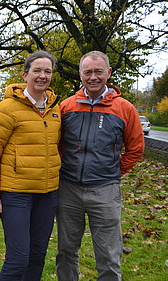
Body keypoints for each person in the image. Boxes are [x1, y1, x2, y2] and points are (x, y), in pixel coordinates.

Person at [57, 51, 144, 281]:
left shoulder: (124, 108)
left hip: (105, 190)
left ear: (108, 73)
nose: (93, 77)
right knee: (66, 251)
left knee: (108, 255)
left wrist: (114, 171)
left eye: (98, 71)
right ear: (80, 74)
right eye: (88, 72)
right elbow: (56, 145)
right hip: (69, 189)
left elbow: (135, 149)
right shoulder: (66, 106)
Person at [0, 50, 61, 280]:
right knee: (18, 260)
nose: (42, 76)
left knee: (38, 256)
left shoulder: (55, 108)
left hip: (47, 194)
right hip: (15, 194)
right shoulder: (7, 108)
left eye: (47, 71)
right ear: (25, 74)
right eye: (37, 70)